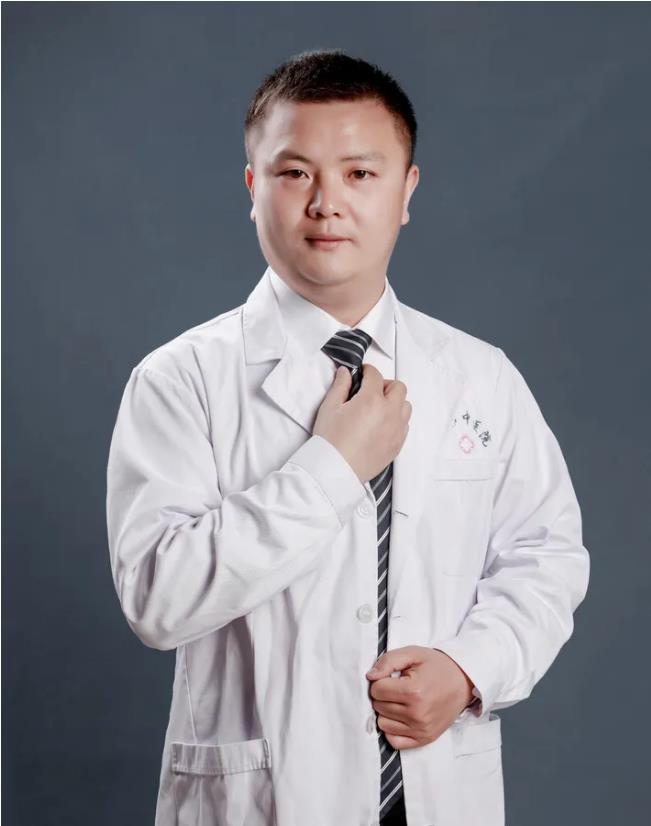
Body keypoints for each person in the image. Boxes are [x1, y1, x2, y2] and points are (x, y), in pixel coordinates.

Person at [106, 49, 590, 826]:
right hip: (261, 800)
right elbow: (158, 598)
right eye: (294, 173)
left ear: (406, 191)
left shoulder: (479, 375)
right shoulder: (179, 380)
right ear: (252, 187)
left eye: (360, 173)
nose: (326, 203)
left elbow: (546, 556)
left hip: (436, 786)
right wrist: (332, 467)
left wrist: (469, 668)